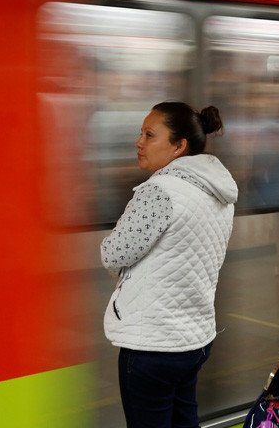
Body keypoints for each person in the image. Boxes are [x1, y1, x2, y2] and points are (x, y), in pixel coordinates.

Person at [100, 102, 238, 428]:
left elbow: (113, 254)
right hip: (194, 339)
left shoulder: (160, 192)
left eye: (150, 135)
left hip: (153, 345)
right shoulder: (217, 190)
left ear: (179, 146)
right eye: (141, 134)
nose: (139, 142)